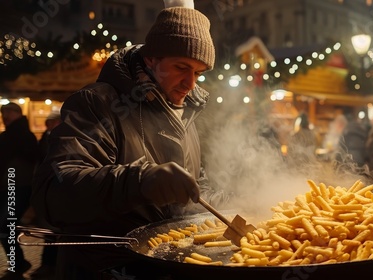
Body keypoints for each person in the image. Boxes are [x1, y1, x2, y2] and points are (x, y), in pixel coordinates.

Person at [31, 3, 233, 279]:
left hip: (162, 267)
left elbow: (194, 188)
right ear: (151, 59)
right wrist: (139, 181)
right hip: (102, 268)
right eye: (181, 67)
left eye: (198, 73)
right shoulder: (98, 103)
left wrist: (234, 203)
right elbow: (54, 193)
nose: (190, 83)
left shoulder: (187, 113)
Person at [0, 102, 38, 279]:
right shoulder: (10, 135)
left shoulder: (22, 135)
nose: (4, 116)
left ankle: (18, 264)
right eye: (2, 113)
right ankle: (17, 263)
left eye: (7, 112)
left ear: (16, 113)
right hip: (9, 186)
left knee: (5, 226)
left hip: (17, 187)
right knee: (6, 227)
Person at [30, 112, 62, 280]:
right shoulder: (46, 137)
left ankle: (52, 265)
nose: (49, 124)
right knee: (50, 230)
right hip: (48, 187)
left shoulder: (60, 138)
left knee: (55, 230)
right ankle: (49, 264)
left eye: (52, 121)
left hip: (57, 188)